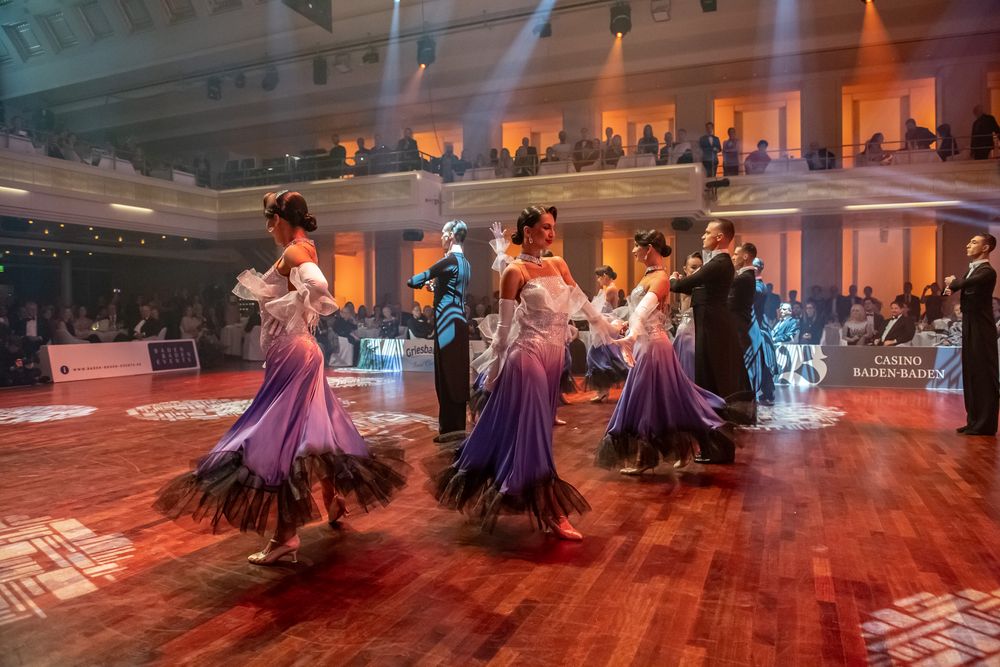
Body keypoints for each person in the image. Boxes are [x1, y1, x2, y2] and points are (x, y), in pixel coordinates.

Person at [154, 190, 406, 564]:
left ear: (282, 219)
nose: (268, 227)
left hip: (293, 353)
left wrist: (288, 305)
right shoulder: (305, 247)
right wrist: (292, 305)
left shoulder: (295, 251)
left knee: (279, 438)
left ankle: (286, 537)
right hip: (299, 352)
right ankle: (334, 499)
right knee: (316, 431)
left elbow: (318, 286)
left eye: (270, 219)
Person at [434, 205, 616, 540]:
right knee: (536, 435)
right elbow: (503, 331)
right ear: (527, 231)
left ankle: (497, 476)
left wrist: (607, 325)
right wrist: (491, 373)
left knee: (533, 431)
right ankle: (552, 510)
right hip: (528, 356)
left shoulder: (558, 263)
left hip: (554, 359)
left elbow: (581, 302)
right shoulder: (513, 272)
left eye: (553, 227)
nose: (551, 233)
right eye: (545, 227)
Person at [597, 230, 734, 474]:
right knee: (664, 399)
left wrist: (631, 334)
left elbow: (643, 313)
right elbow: (640, 314)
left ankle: (644, 457)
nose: (633, 251)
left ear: (648, 248)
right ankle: (679, 449)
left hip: (653, 346)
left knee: (646, 399)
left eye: (636, 246)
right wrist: (627, 327)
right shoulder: (649, 276)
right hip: (645, 343)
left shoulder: (660, 277)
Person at [669, 218, 755, 432]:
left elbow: (681, 285)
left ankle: (714, 424)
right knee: (711, 372)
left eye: (707, 232)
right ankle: (711, 421)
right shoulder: (719, 263)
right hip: (711, 322)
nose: (703, 236)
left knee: (712, 373)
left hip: (712, 325)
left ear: (719, 237)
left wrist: (671, 278)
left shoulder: (719, 263)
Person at [407, 220, 471, 443]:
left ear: (452, 236)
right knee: (457, 375)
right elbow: (452, 289)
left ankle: (449, 430)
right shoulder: (465, 263)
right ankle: (455, 427)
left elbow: (414, 280)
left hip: (446, 325)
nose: (441, 238)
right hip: (459, 323)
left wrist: (419, 282)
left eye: (443, 234)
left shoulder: (448, 261)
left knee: (445, 377)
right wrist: (435, 287)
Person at [944, 233, 999, 435]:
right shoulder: (970, 271)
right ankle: (973, 421)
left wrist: (953, 282)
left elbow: (958, 285)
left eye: (974, 242)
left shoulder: (987, 271)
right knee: (971, 373)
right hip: (969, 325)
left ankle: (985, 424)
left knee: (984, 375)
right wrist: (949, 286)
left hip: (982, 329)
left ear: (986, 248)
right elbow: (948, 291)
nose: (968, 244)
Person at [585, 265, 629, 403]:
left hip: (607, 325)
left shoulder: (611, 289)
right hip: (602, 325)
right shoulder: (606, 289)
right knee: (602, 356)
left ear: (605, 275)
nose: (598, 280)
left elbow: (606, 310)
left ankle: (604, 391)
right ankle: (603, 391)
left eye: (599, 277)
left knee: (601, 356)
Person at [751, 258, 777, 404]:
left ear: (757, 269)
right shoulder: (758, 285)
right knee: (761, 360)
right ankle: (767, 392)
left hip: (759, 328)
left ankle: (768, 392)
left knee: (763, 360)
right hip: (759, 327)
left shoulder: (759, 287)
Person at [673, 252, 702, 381]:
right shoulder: (686, 284)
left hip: (698, 329)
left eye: (701, 267)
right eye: (693, 267)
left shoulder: (692, 284)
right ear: (685, 269)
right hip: (687, 331)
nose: (698, 270)